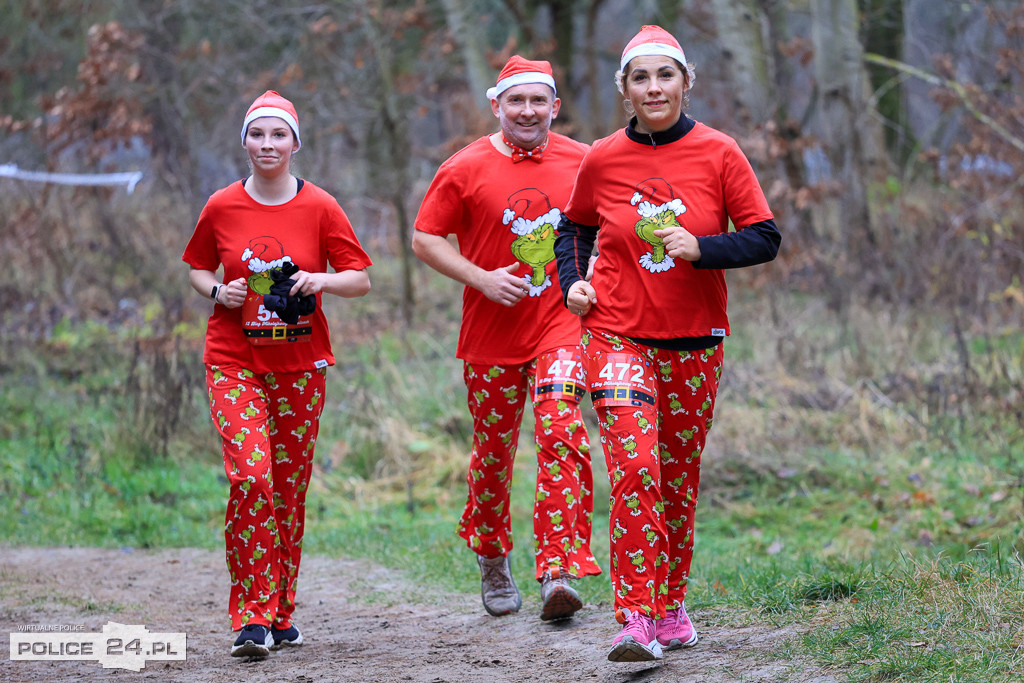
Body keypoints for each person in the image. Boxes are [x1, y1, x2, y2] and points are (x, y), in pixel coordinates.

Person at [554, 25, 781, 662]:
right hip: (617, 332)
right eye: (640, 78)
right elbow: (572, 231)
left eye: (665, 75)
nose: (653, 88)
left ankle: (670, 602)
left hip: (694, 340)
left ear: (686, 82)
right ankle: (635, 619)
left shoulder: (720, 152)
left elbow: (765, 237)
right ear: (624, 90)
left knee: (675, 478)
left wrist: (703, 248)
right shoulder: (602, 157)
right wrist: (573, 284)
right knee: (633, 471)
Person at [182, 90, 372, 658]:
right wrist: (219, 290)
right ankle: (251, 617)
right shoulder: (221, 205)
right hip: (234, 360)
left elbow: (359, 277)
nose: (267, 145)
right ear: (244, 142)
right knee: (252, 479)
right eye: (257, 135)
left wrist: (319, 280)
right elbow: (195, 266)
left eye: (278, 135)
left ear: (295, 142)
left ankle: (280, 612)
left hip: (299, 367)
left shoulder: (320, 207)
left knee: (287, 491)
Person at [412, 56, 600, 621]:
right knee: (493, 454)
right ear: (497, 105)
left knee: (562, 428)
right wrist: (481, 278)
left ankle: (558, 569)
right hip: (491, 331)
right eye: (515, 101)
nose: (526, 111)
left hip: (560, 324)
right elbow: (425, 238)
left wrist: (591, 277)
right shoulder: (464, 166)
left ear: (554, 108)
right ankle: (493, 557)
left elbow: (610, 223)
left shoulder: (584, 160)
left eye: (537, 100)